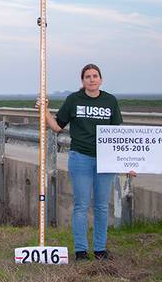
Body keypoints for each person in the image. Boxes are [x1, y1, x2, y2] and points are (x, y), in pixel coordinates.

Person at [37, 63, 133, 261]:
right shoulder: (74, 100)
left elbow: (119, 135)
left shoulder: (110, 101)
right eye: (87, 76)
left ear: (101, 79)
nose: (91, 79)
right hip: (81, 158)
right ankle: (81, 250)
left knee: (101, 206)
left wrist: (127, 163)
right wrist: (45, 111)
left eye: (95, 76)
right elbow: (57, 127)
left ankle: (100, 249)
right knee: (81, 205)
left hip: (105, 160)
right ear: (82, 81)